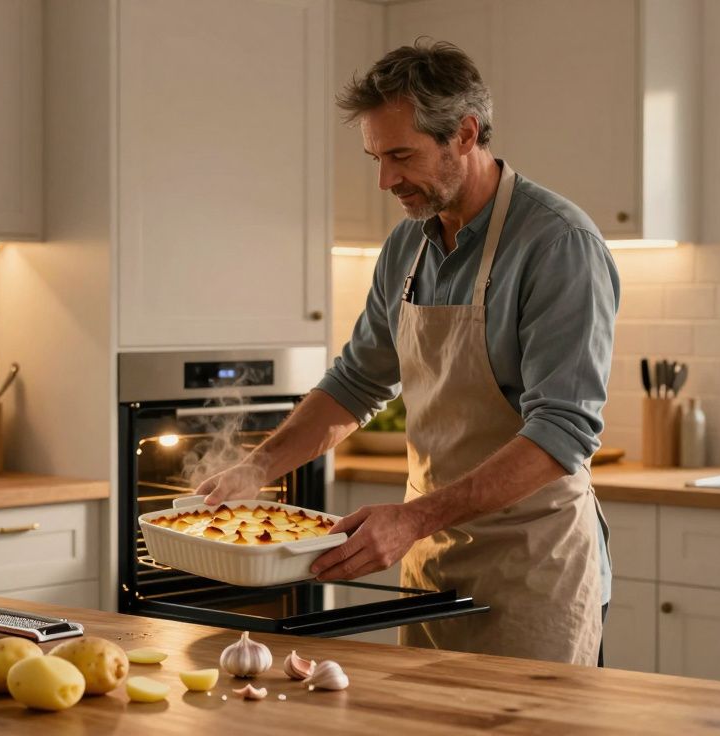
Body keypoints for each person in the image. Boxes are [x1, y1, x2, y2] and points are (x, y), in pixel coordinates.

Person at [199, 39, 617, 666]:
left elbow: (563, 432)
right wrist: (255, 470)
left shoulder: (558, 244)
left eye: (401, 155)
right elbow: (355, 384)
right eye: (375, 156)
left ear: (466, 134)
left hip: (530, 564)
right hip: (427, 555)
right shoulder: (407, 246)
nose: (384, 179)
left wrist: (413, 518)